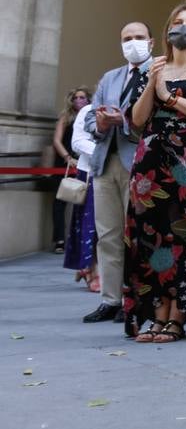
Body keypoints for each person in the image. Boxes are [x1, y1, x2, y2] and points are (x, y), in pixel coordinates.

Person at [123, 3, 186, 342]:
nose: (184, 27)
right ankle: (156, 315)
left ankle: (178, 318)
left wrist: (170, 96)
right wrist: (154, 84)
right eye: (178, 22)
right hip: (151, 165)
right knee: (154, 239)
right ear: (168, 30)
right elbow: (137, 120)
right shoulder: (154, 67)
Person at [81, 21, 152, 324]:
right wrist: (100, 122)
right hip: (104, 163)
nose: (132, 42)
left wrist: (122, 120)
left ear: (150, 42)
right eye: (127, 38)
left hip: (137, 163)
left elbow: (152, 121)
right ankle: (110, 298)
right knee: (108, 235)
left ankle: (134, 298)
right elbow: (88, 119)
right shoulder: (110, 78)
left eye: (138, 37)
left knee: (135, 235)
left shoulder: (155, 75)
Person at [63, 87, 99, 291]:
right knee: (90, 225)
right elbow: (77, 142)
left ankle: (93, 269)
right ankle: (91, 269)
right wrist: (104, 152)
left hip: (121, 173)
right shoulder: (89, 111)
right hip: (90, 174)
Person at [51, 86, 91, 255]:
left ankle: (81, 239)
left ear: (88, 99)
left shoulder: (92, 114)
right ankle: (59, 239)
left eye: (82, 97)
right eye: (75, 97)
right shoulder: (66, 117)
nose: (78, 100)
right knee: (60, 202)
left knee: (84, 200)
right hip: (65, 163)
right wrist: (68, 158)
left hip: (85, 162)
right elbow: (57, 140)